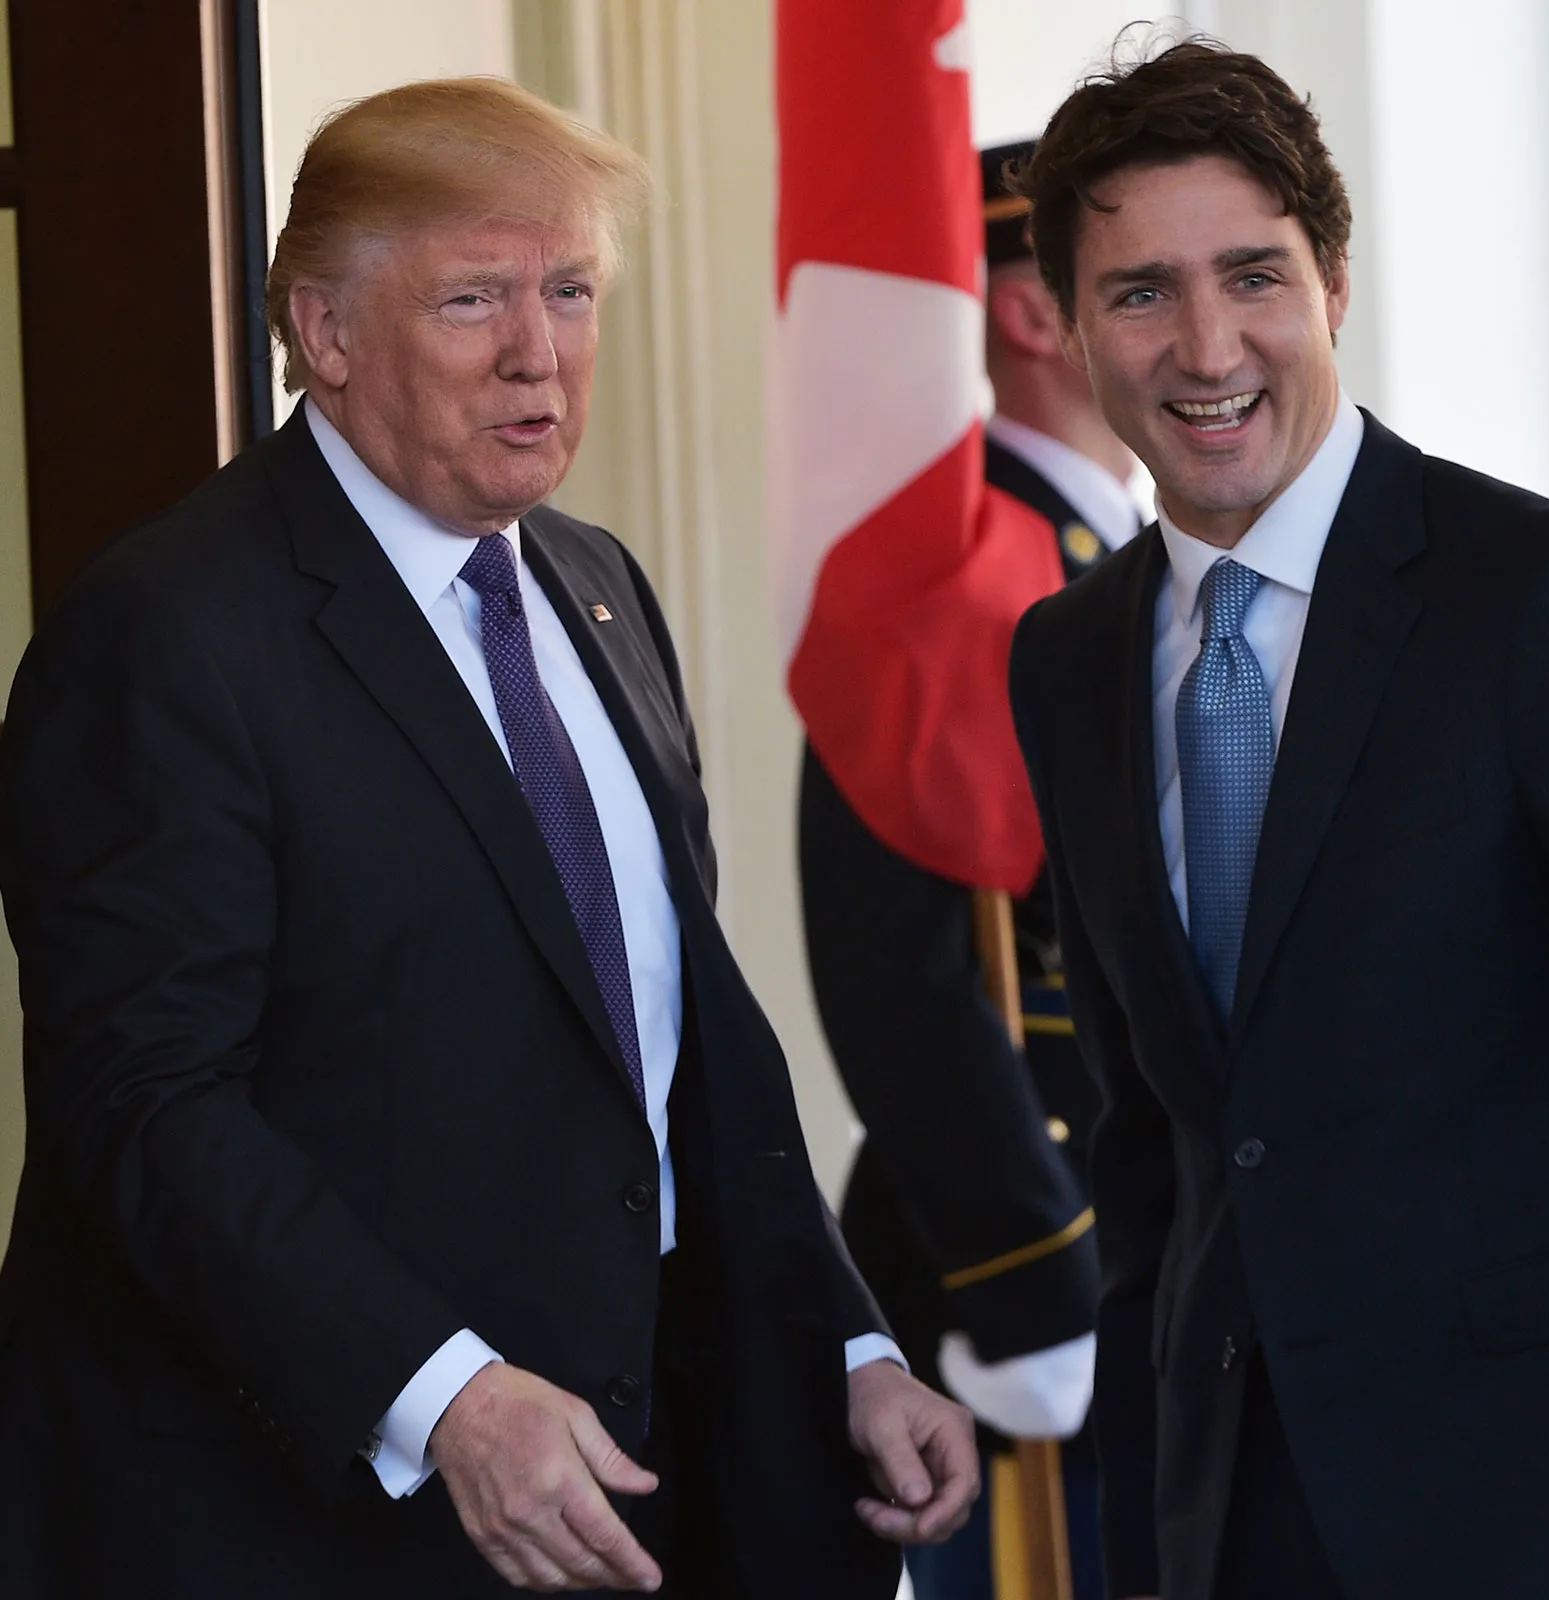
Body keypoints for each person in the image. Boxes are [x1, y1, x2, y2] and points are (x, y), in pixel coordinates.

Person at [0, 78, 975, 1599]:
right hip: (311, 1517)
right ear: (323, 335)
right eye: (473, 300)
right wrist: (442, 1390)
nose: (541, 352)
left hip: (627, 1479)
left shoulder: (596, 588)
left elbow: (678, 1041)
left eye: (570, 292)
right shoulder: (170, 634)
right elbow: (145, 1107)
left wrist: (839, 1340)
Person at [1004, 39, 1549, 1600]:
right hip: (1236, 1509)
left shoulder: (1536, 594)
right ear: (1071, 326)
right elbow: (1151, 1134)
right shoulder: (1065, 659)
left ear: (1335, 284)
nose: (1209, 344)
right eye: (1141, 291)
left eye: (1253, 276)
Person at [799, 142, 1140, 1600]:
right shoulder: (965, 571)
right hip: (1028, 1272)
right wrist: (1037, 1277)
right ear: (1026, 311)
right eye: (1135, 282)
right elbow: (900, 966)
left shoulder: (1156, 550)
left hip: (1184, 1253)